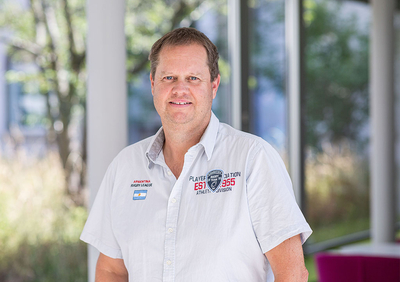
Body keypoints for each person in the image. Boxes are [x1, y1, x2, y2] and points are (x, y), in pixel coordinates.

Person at [80, 27, 312, 282]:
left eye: (193, 78)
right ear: (153, 84)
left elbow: (292, 274)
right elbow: (112, 270)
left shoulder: (253, 159)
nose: (180, 89)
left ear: (213, 86)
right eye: (169, 78)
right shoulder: (125, 167)